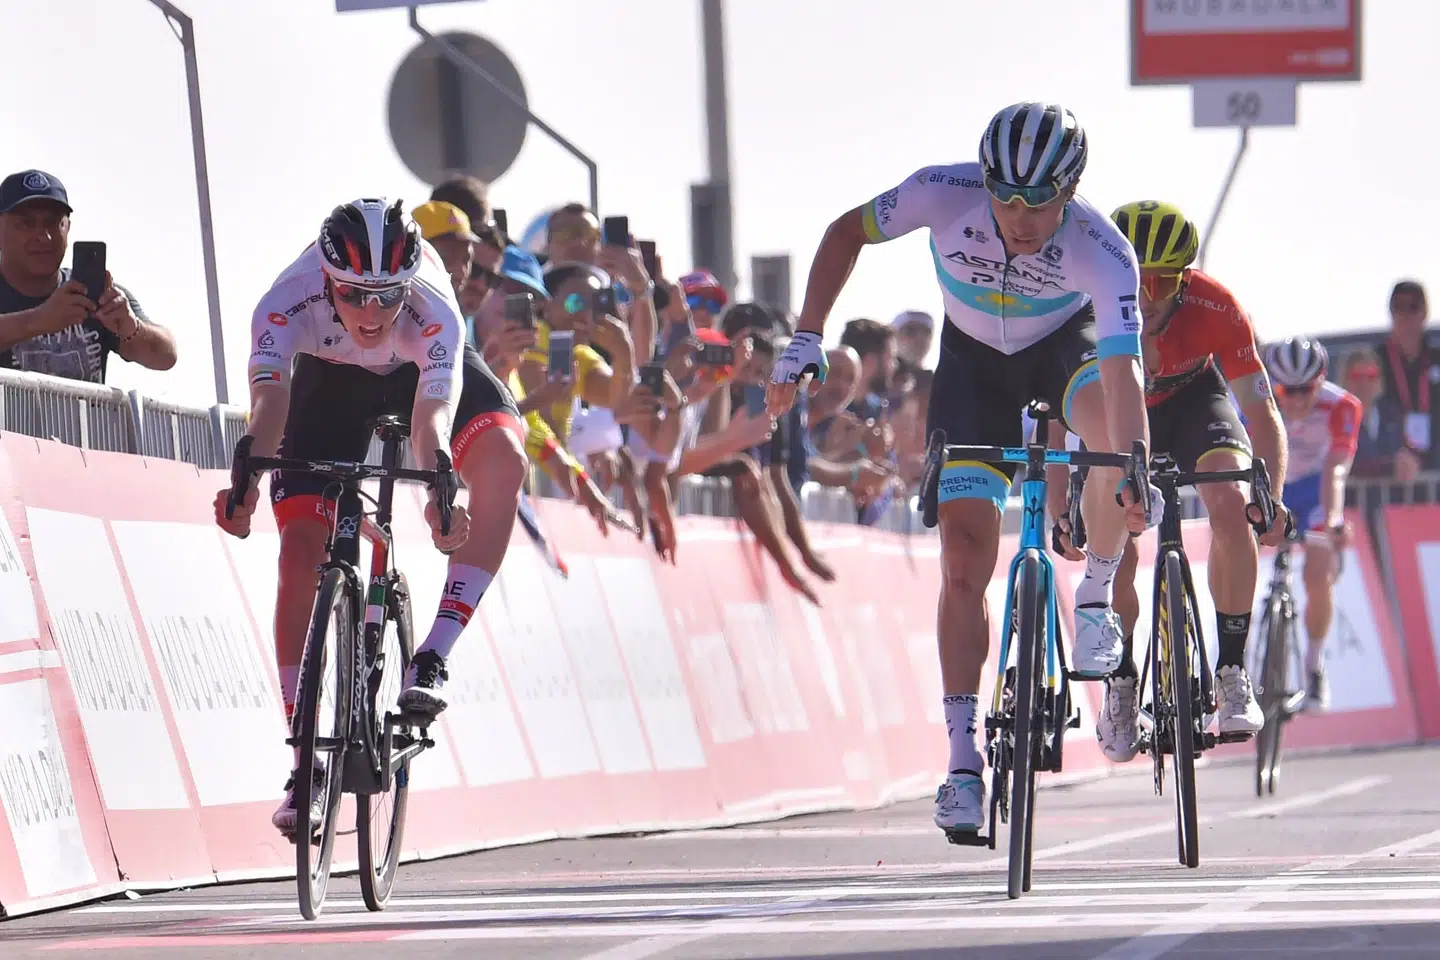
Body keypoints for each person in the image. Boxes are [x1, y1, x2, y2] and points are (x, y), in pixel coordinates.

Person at [767, 101, 1160, 838]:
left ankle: (1096, 596)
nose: (1019, 216)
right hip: (973, 369)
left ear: (1070, 192)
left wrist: (1134, 464)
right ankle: (961, 763)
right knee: (962, 563)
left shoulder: (1103, 251)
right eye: (1005, 196)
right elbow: (846, 231)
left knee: (1111, 438)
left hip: (1063, 349)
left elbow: (1121, 373)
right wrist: (807, 336)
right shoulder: (940, 191)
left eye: (1038, 201)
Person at [212, 198, 527, 839]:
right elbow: (268, 404)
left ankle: (432, 655)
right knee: (300, 550)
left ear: (409, 283)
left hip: (416, 380)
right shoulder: (285, 302)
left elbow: (430, 420)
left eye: (387, 296)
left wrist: (441, 494)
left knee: (504, 458)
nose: (372, 312)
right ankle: (304, 763)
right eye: (354, 295)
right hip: (328, 382)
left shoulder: (433, 311)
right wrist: (247, 481)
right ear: (327, 279)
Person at [1055, 201, 1288, 761]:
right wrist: (1063, 503)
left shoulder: (1217, 307)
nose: (1146, 295)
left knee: (1231, 500)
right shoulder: (1082, 303)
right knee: (1119, 539)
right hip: (1117, 408)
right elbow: (1059, 416)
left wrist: (1272, 497)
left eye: (1161, 282)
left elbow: (1262, 412)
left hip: (1193, 405)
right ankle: (1121, 682)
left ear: (1185, 279)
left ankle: (1232, 671)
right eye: (1134, 277)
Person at [0, 169, 177, 380]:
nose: (44, 236)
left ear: (68, 228)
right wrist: (39, 320)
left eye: (53, 222)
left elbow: (166, 357)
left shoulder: (95, 293)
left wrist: (131, 329)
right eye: (26, 223)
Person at [1264, 336, 1359, 712]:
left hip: (1316, 491)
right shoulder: (1254, 401)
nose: (1298, 400)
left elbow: (1336, 470)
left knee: (1317, 577)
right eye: (1288, 391)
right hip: (1273, 486)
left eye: (1307, 390)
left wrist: (1333, 520)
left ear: (1321, 381)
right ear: (1274, 386)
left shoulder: (1343, 406)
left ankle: (1314, 665)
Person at [1376, 280, 1437, 481]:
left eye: (1413, 307)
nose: (1405, 315)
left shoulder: (1436, 358)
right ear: (1390, 312)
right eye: (1399, 307)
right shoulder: (1375, 362)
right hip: (1390, 477)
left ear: (1425, 312)